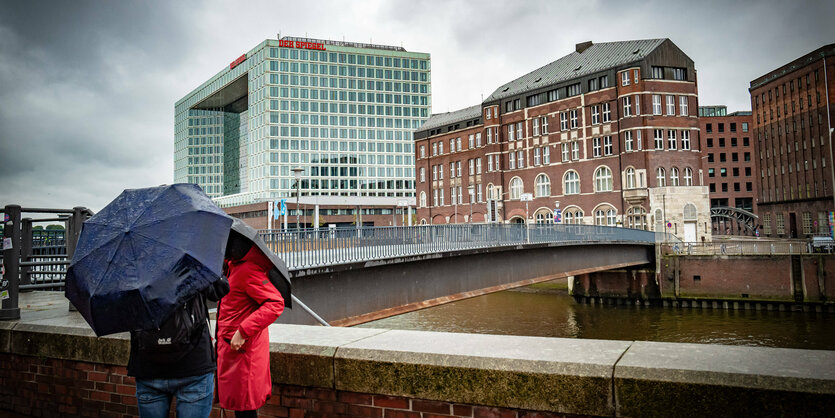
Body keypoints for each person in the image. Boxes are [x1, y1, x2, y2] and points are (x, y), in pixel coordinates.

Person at [127, 279, 229, 417]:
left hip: (148, 364)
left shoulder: (130, 263)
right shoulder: (193, 259)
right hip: (193, 364)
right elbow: (220, 289)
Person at [217, 231, 285, 417]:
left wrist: (243, 331)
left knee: (245, 409)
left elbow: (275, 304)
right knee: (242, 408)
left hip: (243, 352)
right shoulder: (231, 269)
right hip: (235, 350)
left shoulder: (246, 271)